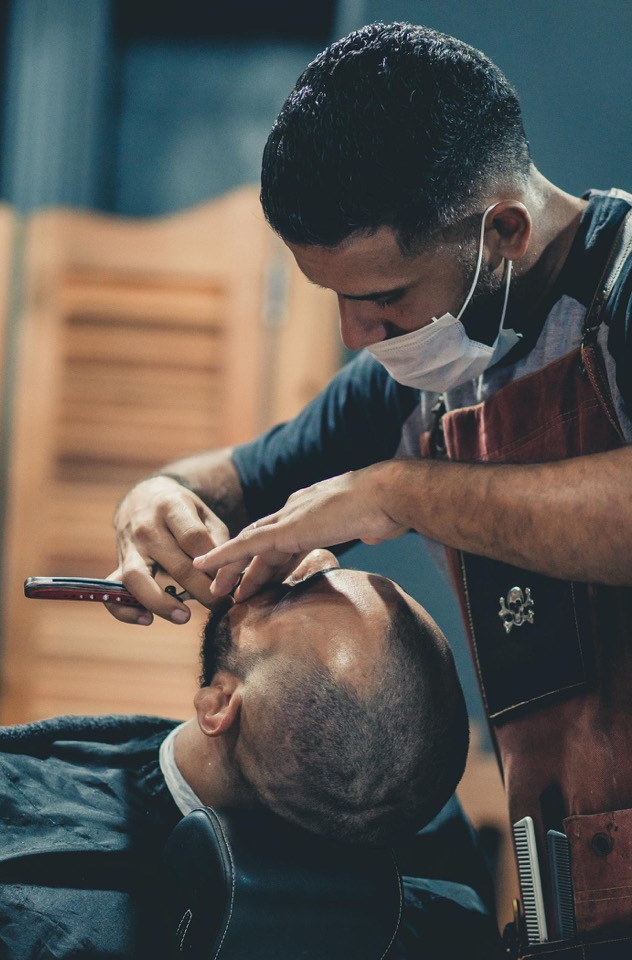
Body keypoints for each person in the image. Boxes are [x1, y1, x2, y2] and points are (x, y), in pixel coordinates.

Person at [107, 22, 632, 956]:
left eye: (386, 300)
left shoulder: (622, 293)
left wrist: (400, 492)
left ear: (501, 232)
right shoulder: (418, 382)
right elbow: (224, 486)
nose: (360, 335)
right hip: (576, 897)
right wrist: (153, 502)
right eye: (337, 300)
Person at [0, 553, 499, 959]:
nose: (311, 556)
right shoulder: (428, 855)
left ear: (216, 707)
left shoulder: (31, 896)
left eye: (289, 597)